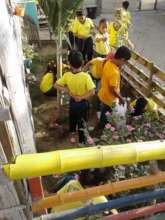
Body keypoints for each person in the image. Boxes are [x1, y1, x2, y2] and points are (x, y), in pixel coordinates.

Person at [55, 50, 95, 144]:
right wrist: (81, 97)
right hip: (83, 103)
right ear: (82, 63)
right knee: (82, 121)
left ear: (69, 64)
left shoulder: (67, 75)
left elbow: (56, 85)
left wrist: (68, 91)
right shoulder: (86, 76)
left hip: (73, 102)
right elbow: (92, 92)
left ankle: (72, 136)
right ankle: (82, 140)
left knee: (72, 118)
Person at [51, 168, 118, 215]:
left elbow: (55, 196)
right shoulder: (100, 200)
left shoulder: (72, 183)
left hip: (53, 214)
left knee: (69, 178)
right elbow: (114, 213)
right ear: (101, 183)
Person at [98, 46, 131, 129]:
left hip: (103, 94)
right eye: (125, 62)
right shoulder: (114, 72)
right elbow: (112, 89)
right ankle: (102, 129)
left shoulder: (109, 62)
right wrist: (121, 98)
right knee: (106, 116)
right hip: (110, 99)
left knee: (104, 112)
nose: (125, 64)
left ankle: (101, 126)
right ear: (122, 59)